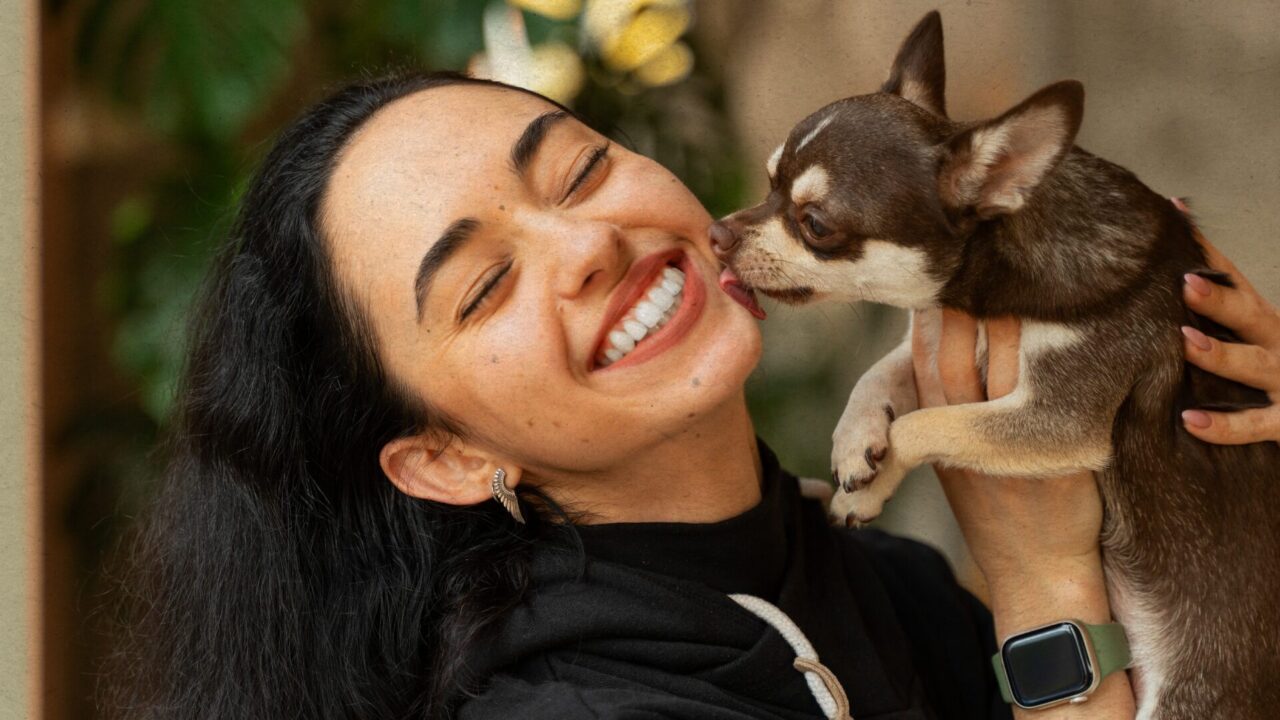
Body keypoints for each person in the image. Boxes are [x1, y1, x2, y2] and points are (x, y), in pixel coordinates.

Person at [107, 71, 1280, 720]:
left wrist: (1222, 478)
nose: (585, 246)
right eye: (484, 286)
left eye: (577, 168)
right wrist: (1037, 588)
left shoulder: (869, 578)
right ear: (448, 459)